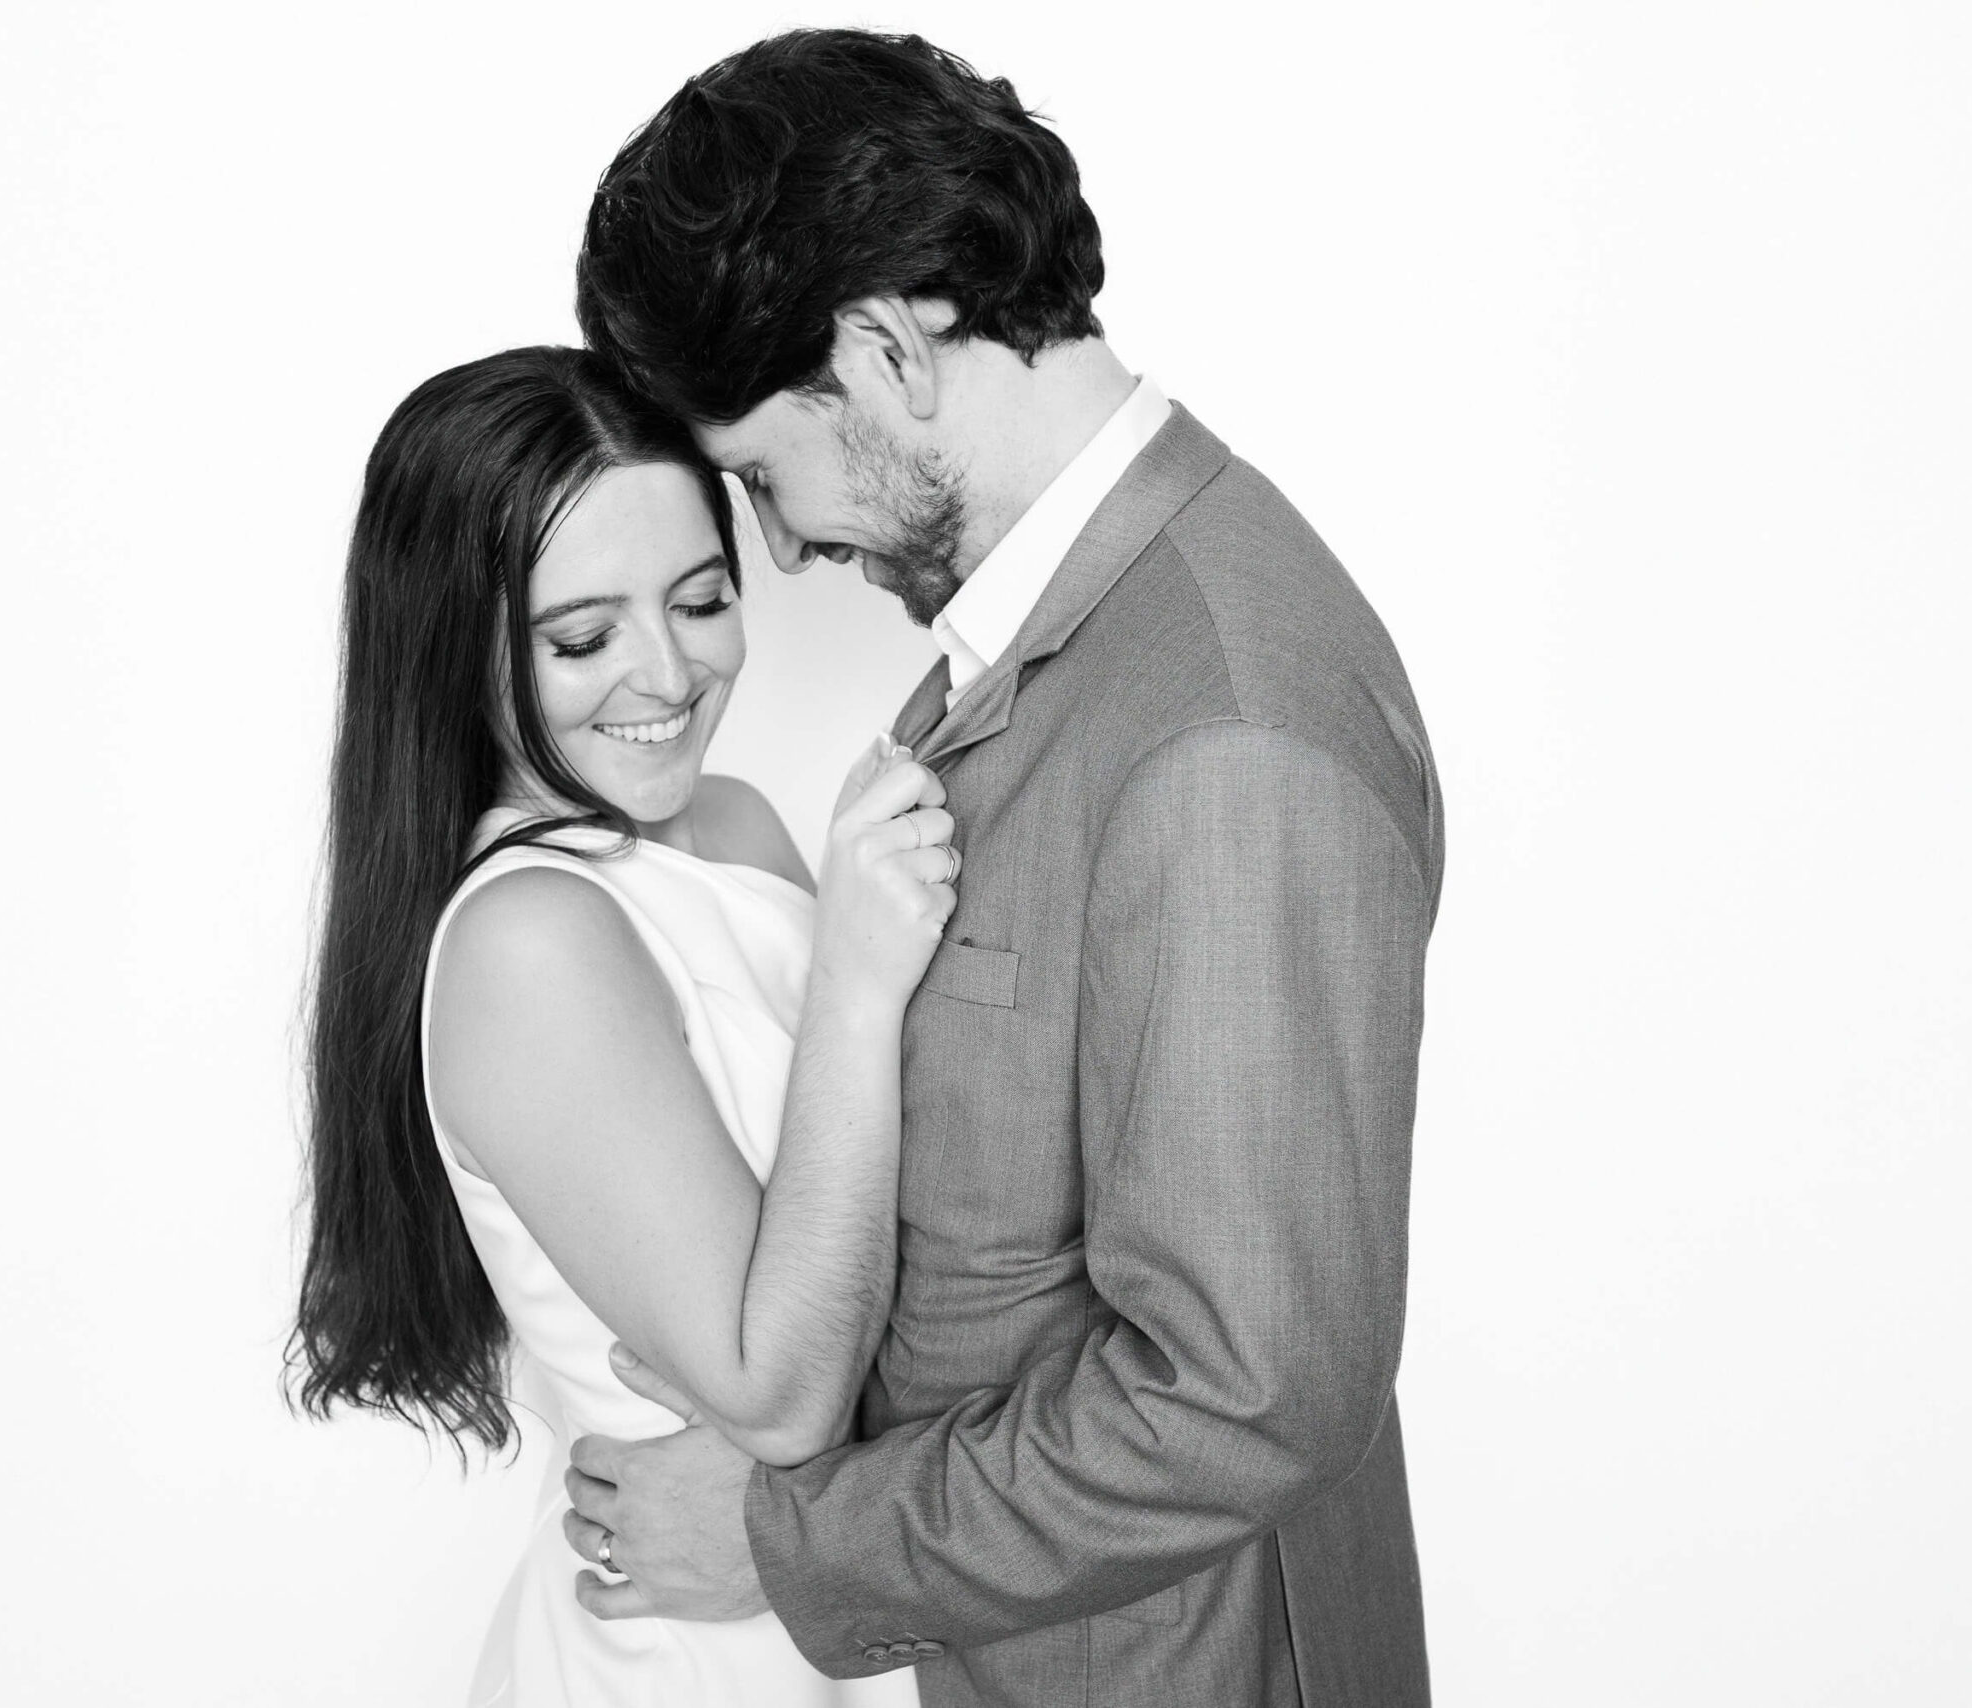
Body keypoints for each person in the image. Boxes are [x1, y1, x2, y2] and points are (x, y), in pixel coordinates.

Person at [562, 31, 1444, 1707]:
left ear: (885, 350)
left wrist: (786, 1541)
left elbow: (1243, 1393)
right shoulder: (1053, 639)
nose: (788, 547)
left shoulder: (1225, 729)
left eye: (761, 475)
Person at [290, 345, 944, 1705]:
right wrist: (861, 992)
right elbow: (779, 1388)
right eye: (582, 637)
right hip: (685, 1658)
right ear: (451, 646)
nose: (667, 673)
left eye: (701, 601)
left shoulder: (739, 824)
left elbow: (883, 1243)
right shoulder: (531, 939)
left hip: (827, 1613)